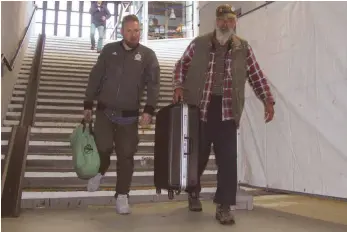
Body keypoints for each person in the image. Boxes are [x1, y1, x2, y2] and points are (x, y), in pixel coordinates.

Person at [172, 4, 275, 225]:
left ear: (235, 22)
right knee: (196, 158)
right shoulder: (199, 43)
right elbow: (181, 64)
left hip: (227, 111)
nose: (225, 24)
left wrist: (267, 99)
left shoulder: (243, 48)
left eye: (229, 20)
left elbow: (256, 75)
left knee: (228, 160)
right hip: (201, 109)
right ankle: (193, 192)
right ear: (216, 22)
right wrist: (179, 86)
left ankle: (224, 206)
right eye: (221, 20)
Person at [83, 14, 160, 215]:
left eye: (137, 30)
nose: (134, 35)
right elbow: (95, 76)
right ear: (121, 32)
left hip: (129, 116)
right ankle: (99, 171)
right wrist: (88, 103)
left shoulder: (148, 56)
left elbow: (153, 86)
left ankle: (122, 195)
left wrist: (149, 110)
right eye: (129, 31)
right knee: (103, 147)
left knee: (126, 155)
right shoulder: (109, 51)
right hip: (105, 112)